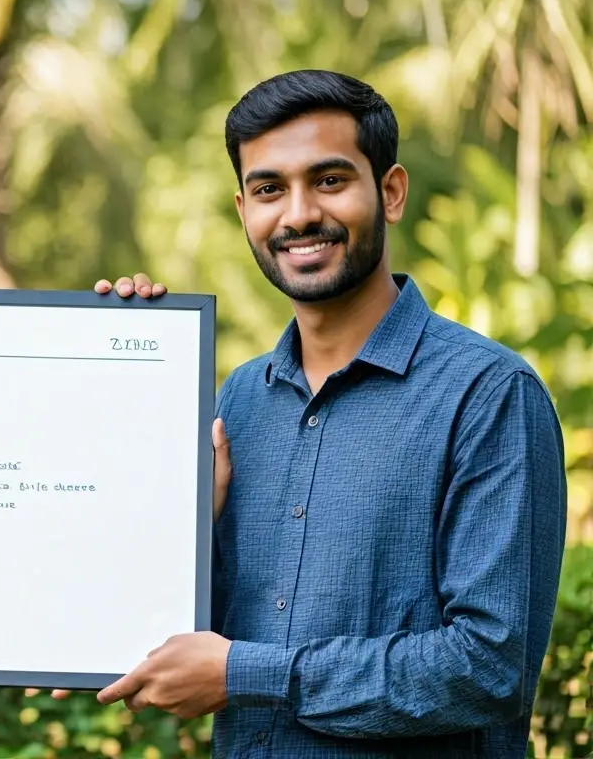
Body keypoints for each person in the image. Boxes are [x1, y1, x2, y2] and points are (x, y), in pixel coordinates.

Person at [50, 69, 568, 757]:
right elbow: (187, 631)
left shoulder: (489, 393)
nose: (297, 215)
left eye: (328, 180)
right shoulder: (236, 402)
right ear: (244, 211)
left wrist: (248, 674)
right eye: (269, 189)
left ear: (390, 192)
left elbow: (487, 668)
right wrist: (125, 368)